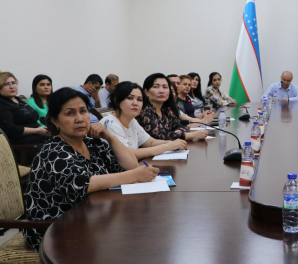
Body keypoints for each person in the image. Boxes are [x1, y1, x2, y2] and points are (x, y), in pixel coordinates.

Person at [23, 87, 159, 250]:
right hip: (54, 230)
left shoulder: (94, 143)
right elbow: (82, 183)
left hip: (92, 219)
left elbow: (130, 165)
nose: (80, 119)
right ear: (55, 121)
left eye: (83, 111)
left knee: (141, 232)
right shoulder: (53, 151)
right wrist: (135, 175)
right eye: (70, 113)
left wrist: (110, 136)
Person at [100, 81, 188, 160]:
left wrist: (174, 143)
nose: (135, 103)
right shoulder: (110, 123)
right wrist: (168, 146)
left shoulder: (132, 121)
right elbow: (130, 153)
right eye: (130, 98)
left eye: (139, 100)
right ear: (116, 100)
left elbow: (150, 142)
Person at [136, 73, 207, 141]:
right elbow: (160, 136)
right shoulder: (144, 110)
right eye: (156, 87)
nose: (161, 91)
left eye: (165, 87)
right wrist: (192, 135)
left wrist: (177, 133)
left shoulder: (166, 109)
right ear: (146, 92)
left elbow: (180, 126)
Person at [0, 71, 48, 144]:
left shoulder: (18, 100)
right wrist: (37, 130)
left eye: (13, 83)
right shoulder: (2, 104)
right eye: (6, 84)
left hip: (37, 135)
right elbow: (11, 129)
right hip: (23, 143)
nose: (12, 87)